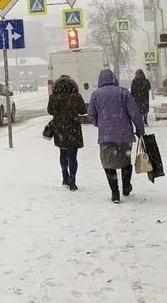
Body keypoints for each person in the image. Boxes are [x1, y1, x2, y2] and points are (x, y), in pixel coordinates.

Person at [88, 69, 145, 203]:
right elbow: (135, 113)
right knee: (125, 161)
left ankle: (115, 193)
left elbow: (91, 115)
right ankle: (126, 187)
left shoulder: (96, 95)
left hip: (106, 137)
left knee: (108, 164)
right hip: (124, 135)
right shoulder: (123, 92)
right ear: (114, 79)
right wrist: (140, 129)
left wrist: (101, 124)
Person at [47, 75, 87, 191]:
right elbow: (83, 110)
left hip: (60, 128)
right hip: (73, 128)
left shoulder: (53, 97)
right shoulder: (75, 96)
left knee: (63, 153)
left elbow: (50, 110)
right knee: (72, 155)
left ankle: (65, 176)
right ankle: (72, 180)